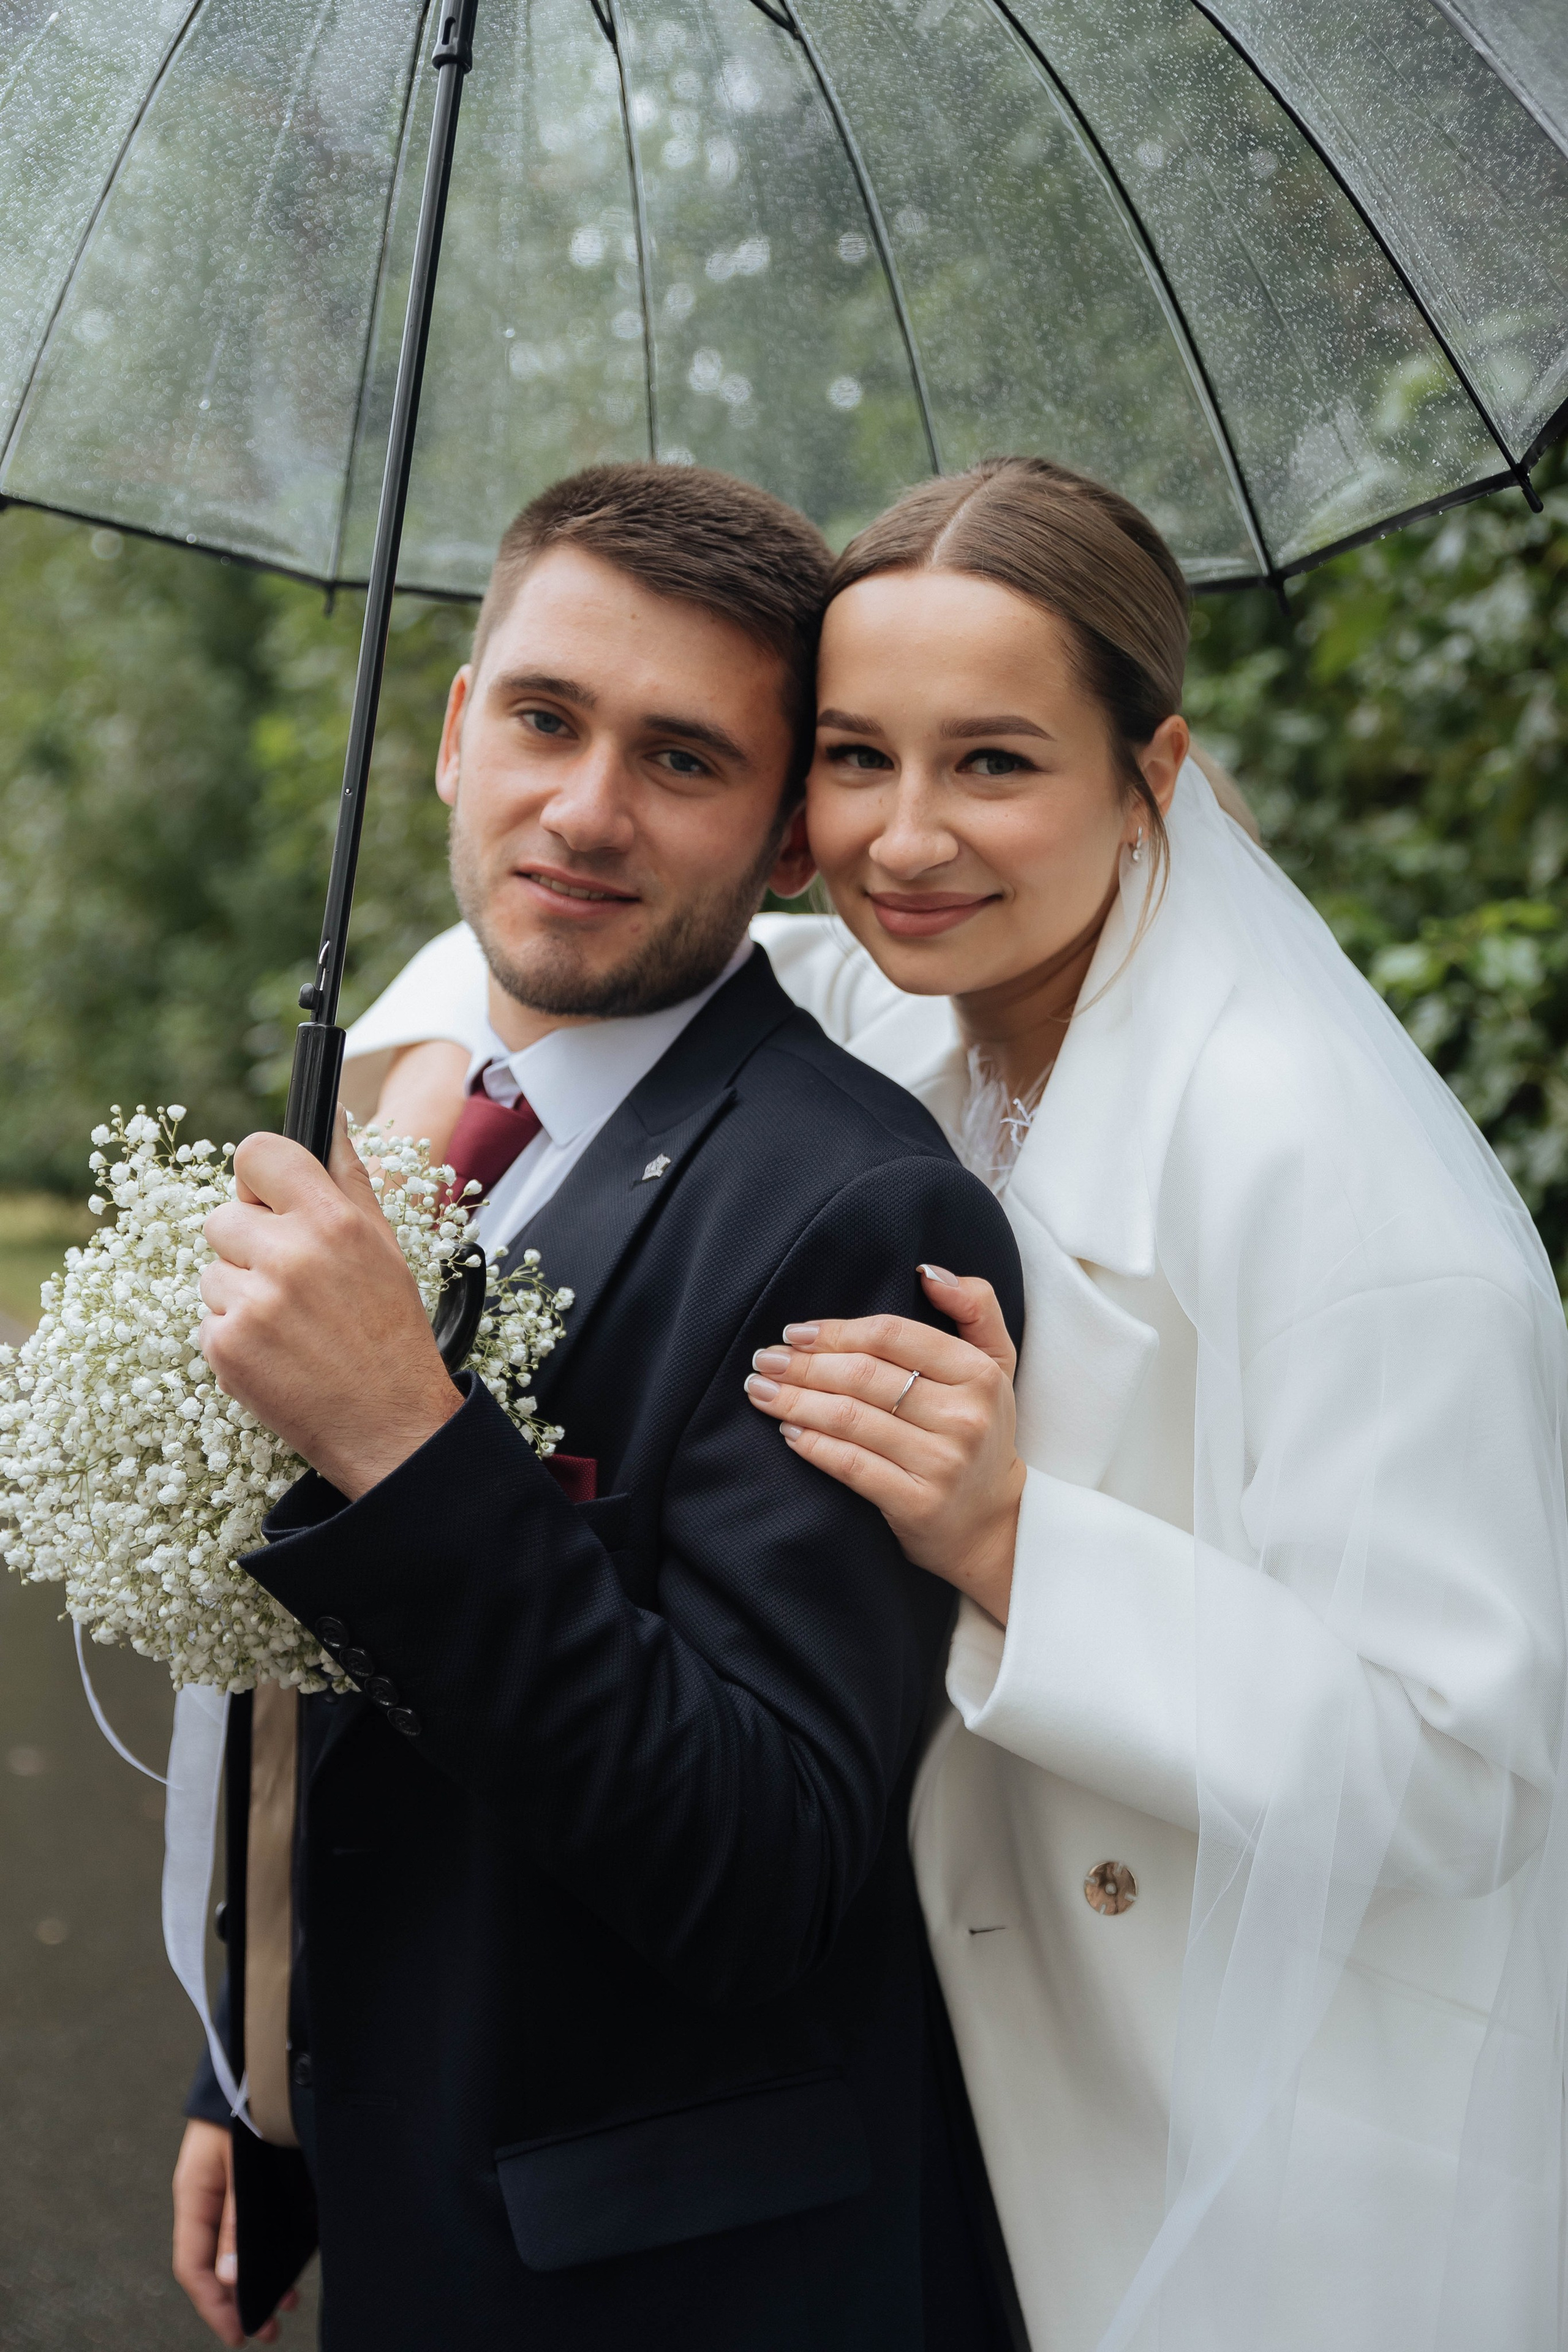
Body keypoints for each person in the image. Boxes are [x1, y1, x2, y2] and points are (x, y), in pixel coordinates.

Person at [352, 456, 1568, 2352]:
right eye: (857, 758)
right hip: (969, 2088)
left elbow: (1468, 1776)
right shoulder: (911, 1008)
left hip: (1247, 2116)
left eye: (994, 762)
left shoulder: (1334, 1186)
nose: (907, 840)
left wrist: (1016, 1544)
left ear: (1153, 775)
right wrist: (423, 1083)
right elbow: (572, 916)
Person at [172, 461, 1027, 2352]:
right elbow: (323, 1699)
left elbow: (766, 1868)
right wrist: (252, 2071)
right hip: (388, 2164)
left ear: (787, 840)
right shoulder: (395, 1117)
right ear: (456, 732)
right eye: (546, 719)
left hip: (653, 2285)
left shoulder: (857, 1214)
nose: (584, 808)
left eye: (683, 758)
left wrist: (407, 1440)